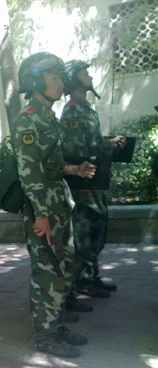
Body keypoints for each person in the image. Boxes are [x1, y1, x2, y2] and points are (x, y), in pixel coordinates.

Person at [13, 52, 94, 358]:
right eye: (54, 77)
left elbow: (50, 165)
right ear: (36, 81)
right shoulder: (28, 119)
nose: (61, 82)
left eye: (61, 77)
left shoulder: (48, 116)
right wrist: (41, 215)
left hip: (59, 204)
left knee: (63, 267)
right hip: (43, 209)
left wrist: (73, 170)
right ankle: (45, 336)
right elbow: (29, 172)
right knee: (47, 271)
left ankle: (56, 324)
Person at [60, 59, 125, 298]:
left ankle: (91, 276)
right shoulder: (73, 110)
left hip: (94, 181)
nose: (90, 77)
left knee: (97, 231)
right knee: (85, 232)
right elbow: (78, 151)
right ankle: (83, 281)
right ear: (74, 80)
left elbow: (92, 144)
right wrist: (104, 147)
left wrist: (108, 144)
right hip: (84, 184)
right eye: (85, 74)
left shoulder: (85, 108)